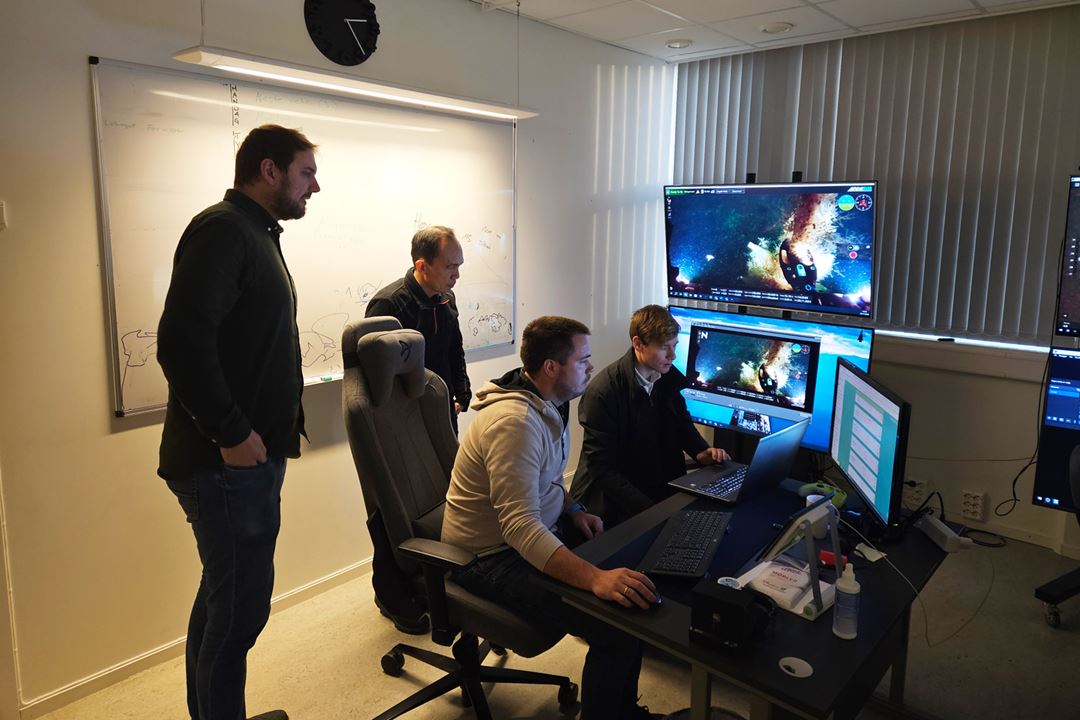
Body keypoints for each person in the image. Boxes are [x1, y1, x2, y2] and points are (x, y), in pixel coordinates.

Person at [156, 124, 320, 720]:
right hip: (223, 464)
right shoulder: (225, 231)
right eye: (305, 172)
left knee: (223, 602)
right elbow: (178, 341)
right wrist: (231, 432)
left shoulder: (255, 233)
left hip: (242, 462)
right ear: (269, 171)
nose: (315, 186)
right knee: (240, 613)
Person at [442, 316, 664, 720]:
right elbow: (520, 528)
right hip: (487, 558)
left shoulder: (545, 405)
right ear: (551, 368)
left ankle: (623, 711)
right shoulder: (515, 423)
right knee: (614, 623)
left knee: (628, 574)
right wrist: (594, 578)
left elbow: (542, 481)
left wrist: (573, 508)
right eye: (584, 360)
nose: (592, 368)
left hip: (524, 536)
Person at [571, 305, 729, 528]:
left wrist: (701, 451)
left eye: (675, 346)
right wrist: (651, 511)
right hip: (614, 503)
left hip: (653, 487)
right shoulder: (603, 392)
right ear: (638, 344)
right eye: (664, 348)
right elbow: (602, 469)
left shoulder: (666, 377)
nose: (672, 356)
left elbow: (681, 424)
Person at [366, 225, 471, 429]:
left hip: (443, 407)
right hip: (405, 419)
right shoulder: (388, 304)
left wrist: (462, 394)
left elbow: (455, 350)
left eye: (459, 266)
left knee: (450, 462)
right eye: (450, 267)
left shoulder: (446, 298)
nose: (456, 275)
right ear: (422, 266)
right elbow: (375, 374)